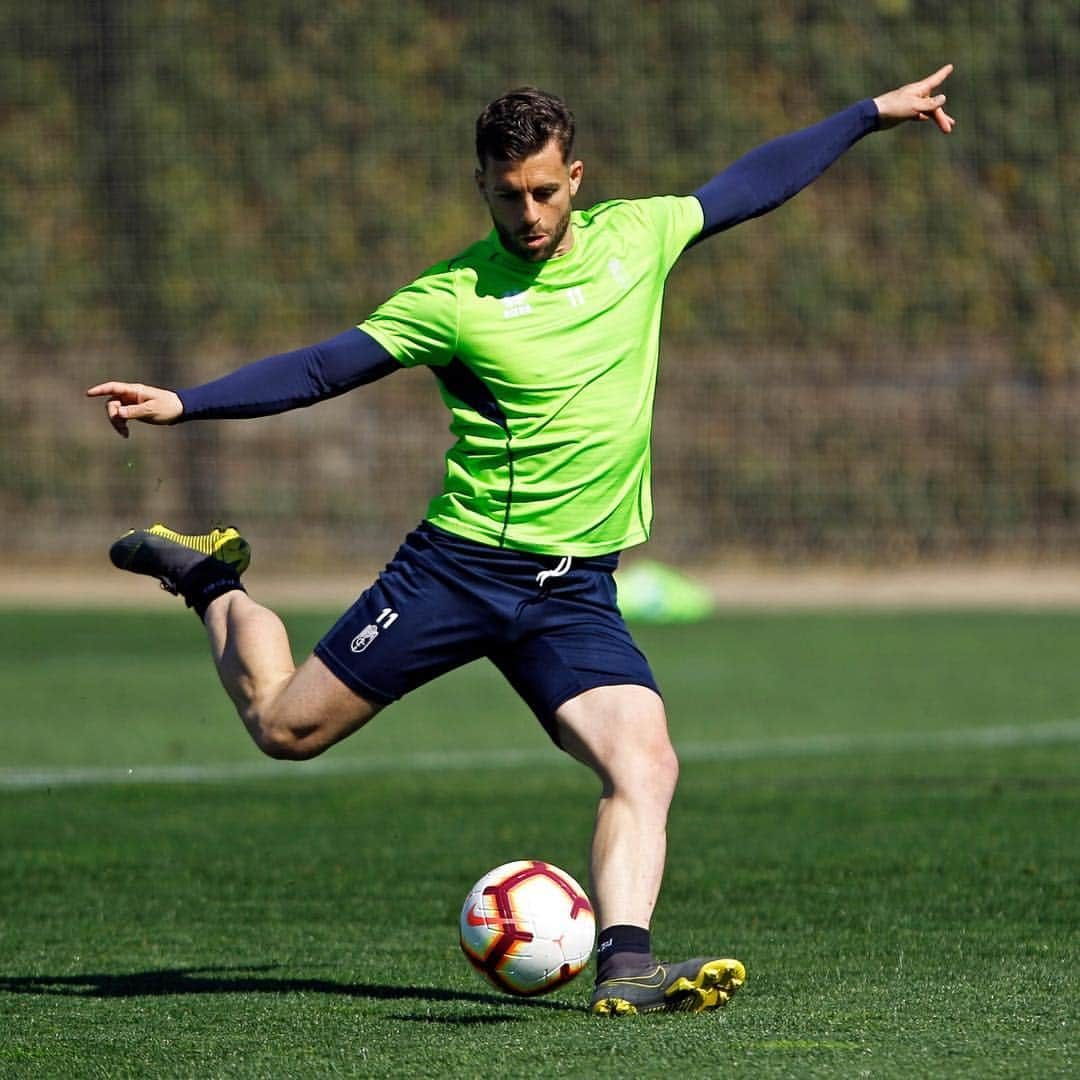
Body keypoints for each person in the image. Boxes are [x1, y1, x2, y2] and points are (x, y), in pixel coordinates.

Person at [88, 66, 955, 1016]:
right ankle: (212, 579)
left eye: (545, 190)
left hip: (576, 589)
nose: (530, 212)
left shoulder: (639, 236)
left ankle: (628, 963)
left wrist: (870, 115)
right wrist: (187, 403)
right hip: (458, 572)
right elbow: (322, 367)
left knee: (646, 761)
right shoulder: (452, 297)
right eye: (509, 195)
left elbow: (752, 182)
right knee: (285, 729)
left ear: (575, 175)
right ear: (483, 188)